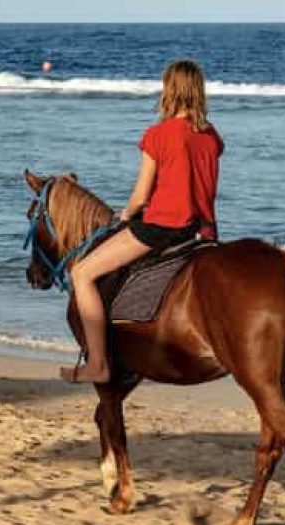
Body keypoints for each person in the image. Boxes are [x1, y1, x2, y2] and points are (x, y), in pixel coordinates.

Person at [60, 59, 224, 384]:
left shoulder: (158, 135)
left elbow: (140, 196)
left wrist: (127, 213)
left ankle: (97, 364)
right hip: (202, 232)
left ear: (170, 91)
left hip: (161, 228)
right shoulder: (211, 137)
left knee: (82, 273)